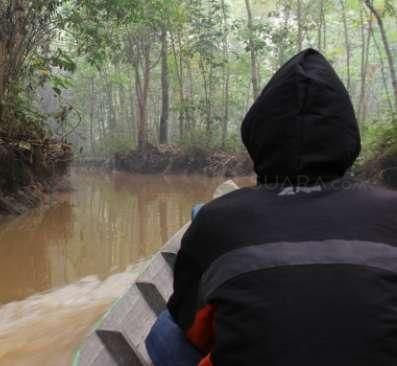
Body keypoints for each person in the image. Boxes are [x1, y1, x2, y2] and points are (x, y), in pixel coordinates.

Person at [145, 48, 397, 366]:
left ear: (258, 134)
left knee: (165, 333)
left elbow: (196, 332)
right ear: (347, 136)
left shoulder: (216, 219)